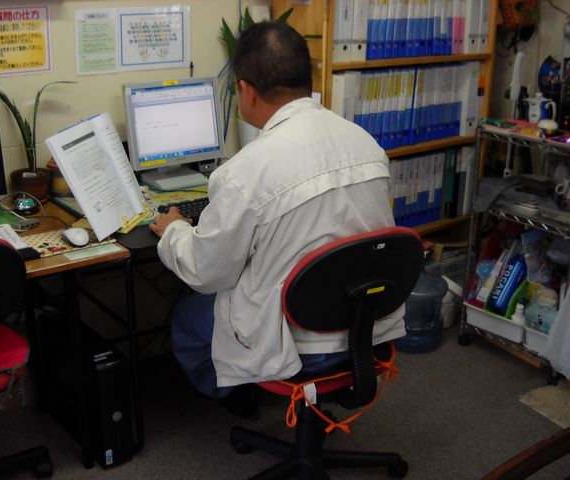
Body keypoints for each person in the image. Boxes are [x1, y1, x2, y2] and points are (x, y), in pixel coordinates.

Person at [149, 21, 404, 401]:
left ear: (247, 91)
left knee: (188, 314)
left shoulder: (245, 173)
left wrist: (174, 230)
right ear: (307, 78)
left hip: (293, 341)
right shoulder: (368, 145)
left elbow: (206, 272)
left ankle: (235, 394)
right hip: (364, 327)